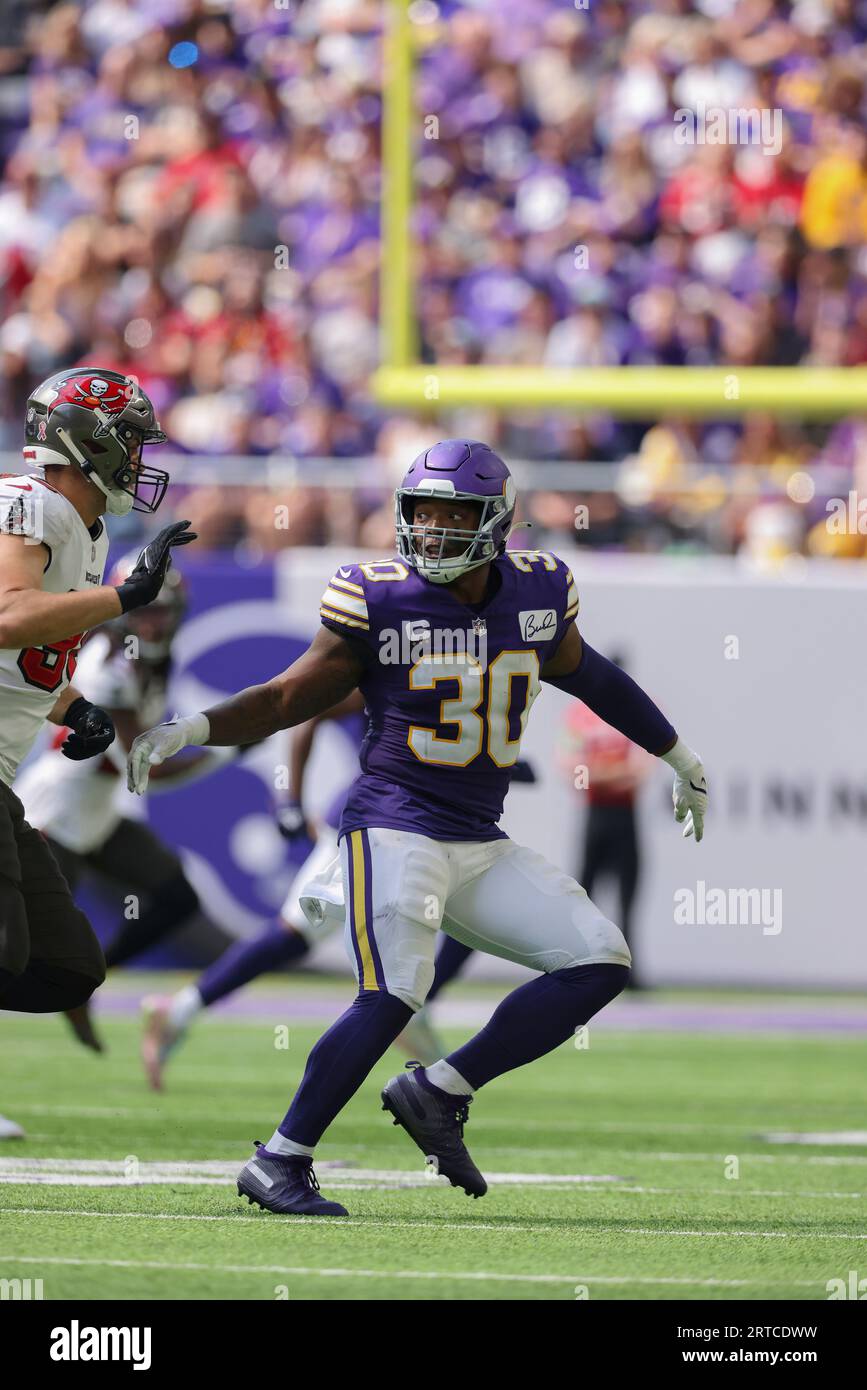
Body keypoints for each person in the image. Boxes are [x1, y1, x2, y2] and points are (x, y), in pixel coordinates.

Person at [127, 439, 707, 1217]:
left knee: (599, 960)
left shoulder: (537, 591)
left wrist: (678, 754)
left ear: (495, 522)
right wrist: (192, 726)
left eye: (451, 515)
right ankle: (279, 1160)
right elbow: (285, 699)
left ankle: (440, 1091)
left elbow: (592, 675)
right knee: (395, 991)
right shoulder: (379, 596)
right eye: (421, 512)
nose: (431, 531)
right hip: (393, 825)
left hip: (476, 836)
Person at [0, 366, 194, 1137]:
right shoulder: (30, 504)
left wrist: (72, 706)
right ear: (85, 442)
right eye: (130, 441)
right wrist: (124, 598)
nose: (139, 458)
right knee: (6, 947)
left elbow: (22, 659)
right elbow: (10, 617)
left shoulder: (87, 528)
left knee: (66, 966)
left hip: (7, 775)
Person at [16, 553, 233, 1053]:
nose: (154, 621)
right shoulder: (109, 662)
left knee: (178, 897)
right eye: (147, 609)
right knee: (21, 943)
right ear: (124, 612)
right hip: (54, 814)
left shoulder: (153, 662)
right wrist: (228, 753)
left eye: (164, 610)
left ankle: (85, 987)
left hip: (97, 812)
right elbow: (146, 768)